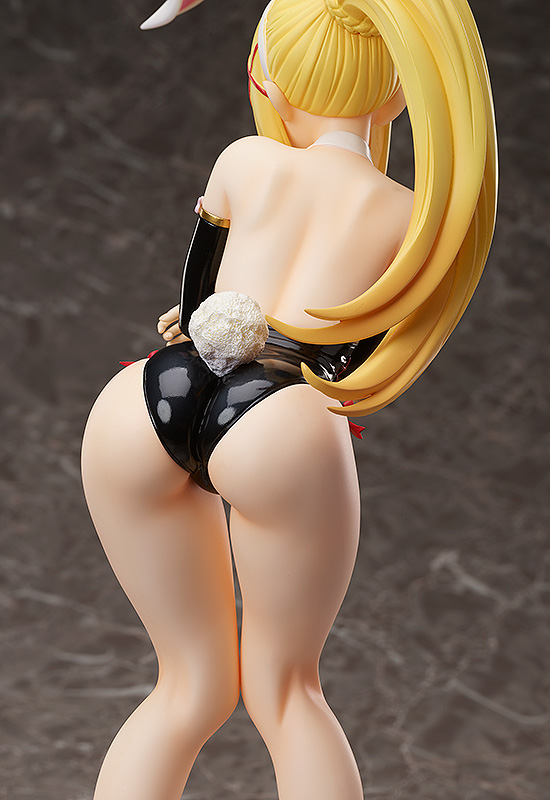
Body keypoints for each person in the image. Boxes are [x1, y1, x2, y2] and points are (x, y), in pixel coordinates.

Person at [81, 1, 497, 798]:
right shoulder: (411, 216)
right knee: (288, 692)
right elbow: (355, 348)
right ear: (400, 91)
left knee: (185, 687)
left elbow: (198, 294)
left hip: (148, 395)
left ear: (266, 72)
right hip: (282, 415)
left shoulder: (244, 160)